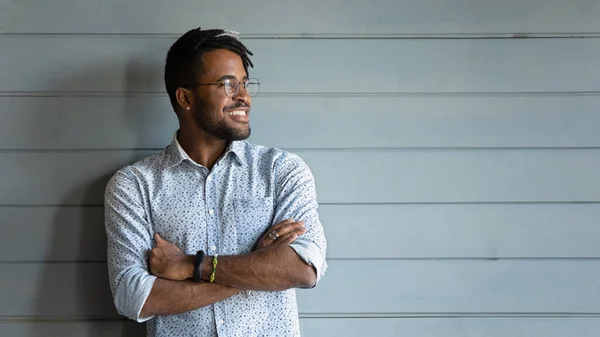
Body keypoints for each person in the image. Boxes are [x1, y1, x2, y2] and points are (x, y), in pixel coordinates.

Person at [104, 27, 328, 337]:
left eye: (245, 84)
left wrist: (193, 266)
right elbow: (134, 298)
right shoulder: (134, 186)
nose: (244, 96)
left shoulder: (281, 171)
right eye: (227, 84)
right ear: (186, 97)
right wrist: (258, 264)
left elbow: (304, 269)